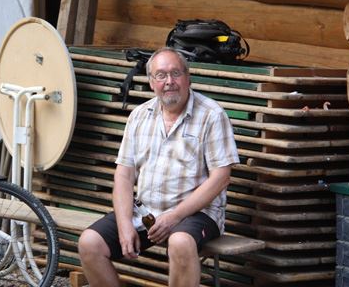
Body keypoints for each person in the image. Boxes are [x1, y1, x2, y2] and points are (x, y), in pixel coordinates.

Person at [78, 47, 239, 287]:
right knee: (90, 243)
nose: (169, 81)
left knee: (181, 242)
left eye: (176, 73)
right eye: (161, 75)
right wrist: (124, 223)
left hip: (196, 214)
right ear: (152, 82)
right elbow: (124, 175)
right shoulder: (139, 116)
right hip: (146, 213)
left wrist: (174, 216)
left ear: (188, 78)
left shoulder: (211, 115)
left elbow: (221, 177)